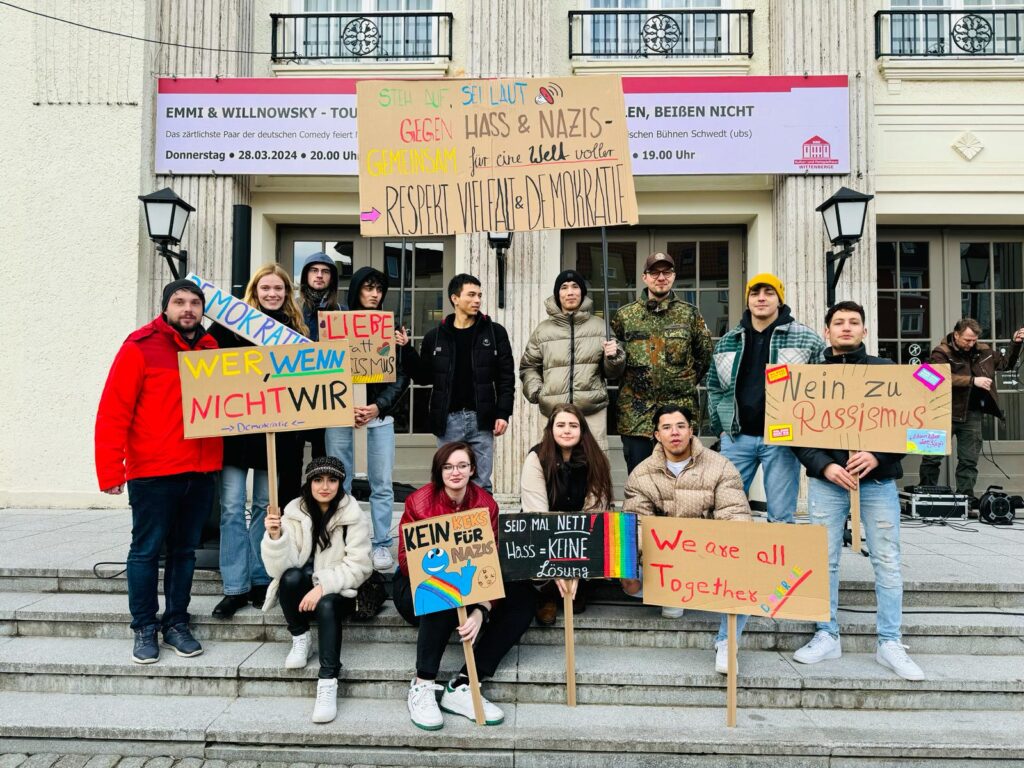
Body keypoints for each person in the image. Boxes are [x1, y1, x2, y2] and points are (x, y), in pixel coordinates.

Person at [791, 301, 924, 681]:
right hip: (827, 482)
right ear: (827, 330)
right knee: (823, 560)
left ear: (865, 330)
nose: (846, 328)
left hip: (878, 482)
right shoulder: (807, 377)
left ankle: (890, 642)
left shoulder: (890, 373)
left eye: (854, 322)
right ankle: (826, 634)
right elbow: (795, 432)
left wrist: (878, 455)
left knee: (887, 560)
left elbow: (914, 424)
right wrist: (825, 465)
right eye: (839, 322)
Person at [95, 279, 222, 664]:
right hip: (152, 471)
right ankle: (144, 628)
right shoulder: (140, 347)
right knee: (147, 551)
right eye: (180, 302)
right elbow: (114, 409)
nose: (188, 309)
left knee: (185, 552)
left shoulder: (212, 349)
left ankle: (177, 623)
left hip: (199, 470)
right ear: (166, 307)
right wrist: (110, 469)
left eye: (195, 302)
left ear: (203, 309)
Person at [704, 273, 825, 657]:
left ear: (779, 298)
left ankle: (779, 588)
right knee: (727, 515)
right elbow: (714, 386)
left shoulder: (804, 338)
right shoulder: (728, 340)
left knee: (781, 516)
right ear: (747, 299)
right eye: (755, 292)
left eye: (767, 292)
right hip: (738, 438)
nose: (760, 298)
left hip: (780, 440)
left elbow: (825, 383)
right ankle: (730, 585)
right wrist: (722, 429)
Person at [393, 442, 536, 730]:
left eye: (461, 465)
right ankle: (422, 684)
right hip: (417, 588)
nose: (455, 472)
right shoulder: (419, 502)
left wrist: (481, 610)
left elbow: (490, 564)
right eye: (448, 466)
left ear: (472, 469)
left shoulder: (486, 504)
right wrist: (445, 571)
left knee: (524, 597)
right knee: (442, 592)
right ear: (439, 471)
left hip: (471, 587)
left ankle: (465, 683)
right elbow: (407, 560)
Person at [209, 264, 309, 619]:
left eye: (278, 289)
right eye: (265, 288)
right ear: (255, 290)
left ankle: (258, 578)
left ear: (286, 293)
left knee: (268, 508)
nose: (272, 294)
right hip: (235, 433)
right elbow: (206, 366)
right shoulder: (228, 325)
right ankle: (234, 587)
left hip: (275, 436)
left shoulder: (296, 331)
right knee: (233, 508)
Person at [622, 405, 751, 672]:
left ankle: (727, 643)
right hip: (665, 564)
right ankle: (672, 595)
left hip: (710, 560)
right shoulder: (642, 473)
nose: (675, 433)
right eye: (667, 428)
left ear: (691, 431)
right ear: (657, 435)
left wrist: (732, 551)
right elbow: (636, 523)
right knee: (627, 567)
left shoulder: (720, 466)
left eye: (681, 426)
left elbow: (735, 513)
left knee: (750, 567)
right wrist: (634, 563)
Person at [261, 456, 372, 723]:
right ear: (309, 483)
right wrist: (276, 538)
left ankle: (328, 680)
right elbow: (279, 570)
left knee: (327, 604)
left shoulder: (352, 515)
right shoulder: (293, 512)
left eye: (332, 480)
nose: (325, 486)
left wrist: (323, 587)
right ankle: (300, 637)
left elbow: (360, 567)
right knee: (289, 578)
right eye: (318, 480)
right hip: (303, 590)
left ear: (340, 483)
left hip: (341, 591)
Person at [325, 266, 411, 571]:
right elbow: (323, 369)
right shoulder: (335, 324)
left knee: (382, 483)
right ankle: (345, 543)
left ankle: (380, 545)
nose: (375, 295)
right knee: (339, 481)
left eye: (379, 290)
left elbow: (402, 377)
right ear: (357, 290)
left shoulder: (391, 327)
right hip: (340, 415)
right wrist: (341, 404)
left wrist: (377, 406)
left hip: (378, 418)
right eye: (369, 288)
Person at [406, 274, 515, 492]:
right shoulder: (434, 337)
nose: (477, 300)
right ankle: (453, 526)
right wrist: (407, 350)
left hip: (482, 420)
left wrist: (503, 413)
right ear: (455, 298)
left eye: (480, 295)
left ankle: (484, 526)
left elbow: (506, 377)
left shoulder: (495, 332)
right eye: (471, 295)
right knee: (448, 484)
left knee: (481, 484)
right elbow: (423, 378)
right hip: (447, 422)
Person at [611, 253, 713, 474]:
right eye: (654, 272)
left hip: (678, 414)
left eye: (666, 272)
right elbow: (614, 365)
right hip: (637, 416)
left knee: (682, 478)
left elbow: (704, 356)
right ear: (644, 277)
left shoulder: (690, 315)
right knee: (640, 480)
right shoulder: (624, 316)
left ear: (673, 276)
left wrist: (679, 381)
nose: (661, 277)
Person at [520, 403, 614, 625]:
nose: (567, 430)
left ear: (582, 430)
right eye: (560, 425)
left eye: (573, 425)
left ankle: (579, 585)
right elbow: (537, 514)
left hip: (580, 531)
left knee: (604, 533)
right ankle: (546, 593)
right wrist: (557, 569)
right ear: (551, 429)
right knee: (528, 537)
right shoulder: (537, 458)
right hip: (547, 530)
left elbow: (595, 513)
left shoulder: (596, 459)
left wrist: (574, 567)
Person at [917, 317, 1024, 504]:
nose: (971, 344)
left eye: (974, 340)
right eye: (967, 340)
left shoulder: (983, 351)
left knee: (969, 461)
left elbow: (1006, 364)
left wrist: (1015, 343)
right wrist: (972, 381)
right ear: (956, 335)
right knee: (931, 458)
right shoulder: (940, 352)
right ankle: (927, 498)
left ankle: (965, 500)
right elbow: (934, 378)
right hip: (942, 413)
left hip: (972, 414)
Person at [519, 270, 625, 449]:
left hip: (591, 412)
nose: (570, 292)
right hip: (553, 413)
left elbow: (612, 372)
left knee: (593, 469)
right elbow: (529, 366)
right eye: (564, 287)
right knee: (553, 467)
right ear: (557, 294)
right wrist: (538, 392)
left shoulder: (600, 326)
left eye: (575, 287)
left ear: (582, 293)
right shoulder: (542, 330)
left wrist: (613, 357)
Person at [286, 252, 347, 504]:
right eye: (314, 270)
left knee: (324, 463)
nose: (319, 275)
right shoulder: (292, 310)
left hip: (328, 398)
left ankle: (321, 512)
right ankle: (290, 515)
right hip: (295, 397)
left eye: (325, 271)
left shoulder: (342, 311)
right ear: (306, 275)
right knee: (291, 462)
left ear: (332, 278)